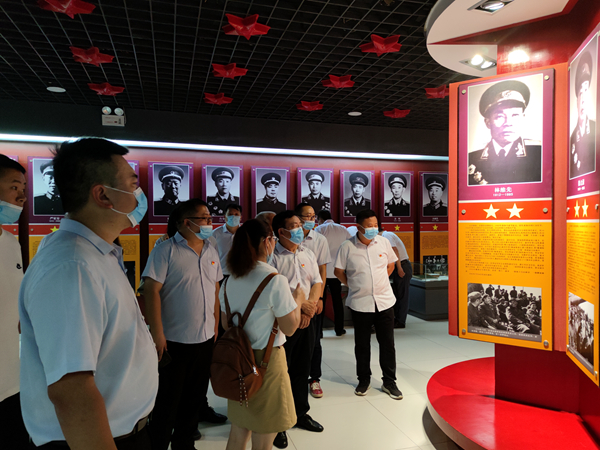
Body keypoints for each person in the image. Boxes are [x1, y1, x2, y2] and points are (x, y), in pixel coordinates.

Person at [19, 138, 158, 449]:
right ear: (103, 195)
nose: (139, 193)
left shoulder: (96, 254)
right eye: (132, 184)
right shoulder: (72, 266)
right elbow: (72, 390)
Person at [143, 198, 224, 449]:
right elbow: (151, 290)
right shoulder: (165, 251)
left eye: (210, 218)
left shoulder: (211, 250)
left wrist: (215, 327)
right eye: (205, 218)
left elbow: (215, 290)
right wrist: (157, 333)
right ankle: (158, 443)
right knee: (167, 400)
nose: (210, 222)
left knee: (194, 397)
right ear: (187, 222)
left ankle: (185, 444)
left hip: (204, 338)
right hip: (173, 341)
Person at [220, 219, 305, 450]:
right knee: (264, 437)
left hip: (238, 361)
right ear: (267, 242)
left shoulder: (229, 281)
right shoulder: (274, 280)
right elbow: (290, 327)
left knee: (238, 432)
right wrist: (297, 300)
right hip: (267, 362)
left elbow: (227, 324)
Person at [334, 210, 402, 400]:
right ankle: (364, 379)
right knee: (362, 344)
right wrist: (353, 284)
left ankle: (389, 381)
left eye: (375, 225)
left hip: (384, 301)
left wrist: (380, 281)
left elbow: (390, 264)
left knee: (387, 344)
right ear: (359, 227)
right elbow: (338, 271)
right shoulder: (347, 246)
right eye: (369, 226)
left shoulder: (383, 242)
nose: (374, 229)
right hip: (360, 303)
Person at [270, 210, 324, 449]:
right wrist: (300, 308)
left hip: (306, 320)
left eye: (300, 224)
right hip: (283, 323)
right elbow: (274, 291)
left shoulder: (307, 253)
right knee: (281, 372)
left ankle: (300, 413)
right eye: (293, 226)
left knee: (302, 368)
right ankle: (278, 423)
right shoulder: (271, 257)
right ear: (281, 231)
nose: (300, 229)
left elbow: (316, 282)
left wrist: (309, 308)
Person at [0, 155, 30, 449]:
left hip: (11, 379)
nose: (22, 196)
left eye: (23, 188)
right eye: (13, 187)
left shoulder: (11, 243)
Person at [468, 80, 542, 185]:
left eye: (515, 115)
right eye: (500, 116)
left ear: (523, 118)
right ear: (488, 122)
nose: (508, 123)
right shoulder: (471, 159)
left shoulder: (539, 155)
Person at [295, 203, 331, 400]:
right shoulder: (287, 238)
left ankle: (314, 378)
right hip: (292, 301)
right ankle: (293, 378)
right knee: (292, 340)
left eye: (312, 216)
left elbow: (322, 270)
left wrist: (319, 298)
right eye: (306, 216)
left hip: (313, 297)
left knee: (314, 340)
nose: (310, 219)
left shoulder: (319, 240)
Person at [315, 209, 351, 336]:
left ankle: (319, 331)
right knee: (337, 301)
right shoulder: (342, 229)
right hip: (337, 271)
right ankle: (339, 329)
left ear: (320, 219)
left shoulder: (319, 229)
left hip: (322, 271)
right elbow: (350, 244)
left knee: (321, 300)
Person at [379, 226, 412, 329]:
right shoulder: (385, 236)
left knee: (402, 295)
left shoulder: (386, 235)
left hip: (402, 266)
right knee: (396, 294)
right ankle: (396, 319)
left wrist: (399, 268)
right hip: (398, 266)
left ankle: (401, 321)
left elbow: (394, 251)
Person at [570, 50, 596, 178]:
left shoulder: (596, 129)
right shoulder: (572, 138)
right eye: (580, 93)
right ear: (577, 101)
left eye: (586, 90)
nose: (583, 99)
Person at [213, 203, 243, 280]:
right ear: (225, 217)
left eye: (236, 214)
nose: (233, 217)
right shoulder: (215, 234)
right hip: (221, 274)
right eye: (230, 214)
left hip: (242, 274)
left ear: (240, 217)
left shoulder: (246, 233)